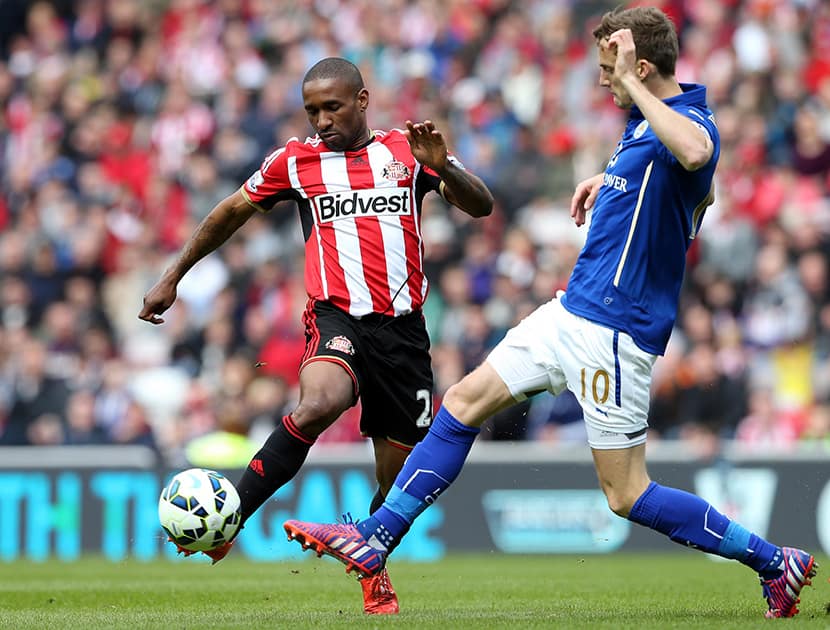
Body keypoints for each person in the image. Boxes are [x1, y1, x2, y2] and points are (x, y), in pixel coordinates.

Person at [282, 8, 817, 620]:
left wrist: (639, 119)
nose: (601, 82)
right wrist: (613, 180)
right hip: (573, 309)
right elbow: (700, 188)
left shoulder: (687, 121)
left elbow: (698, 157)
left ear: (641, 68)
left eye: (609, 71)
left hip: (613, 332)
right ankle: (376, 541)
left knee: (626, 494)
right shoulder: (646, 130)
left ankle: (775, 561)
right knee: (461, 403)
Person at [139, 57, 494, 614]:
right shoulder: (296, 160)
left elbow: (482, 204)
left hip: (404, 337)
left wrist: (444, 167)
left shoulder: (407, 150)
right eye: (312, 110)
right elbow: (230, 211)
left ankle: (372, 562)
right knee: (317, 403)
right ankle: (231, 519)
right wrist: (171, 278)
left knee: (398, 480)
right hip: (337, 318)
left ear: (363, 100)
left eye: (333, 107)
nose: (322, 120)